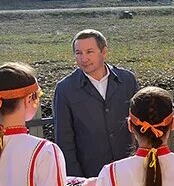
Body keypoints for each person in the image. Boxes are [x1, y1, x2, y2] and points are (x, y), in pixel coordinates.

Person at [53, 29, 138, 178]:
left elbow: (140, 125)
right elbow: (64, 139)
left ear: (104, 52)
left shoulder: (127, 80)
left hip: (129, 169)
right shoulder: (65, 89)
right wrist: (77, 180)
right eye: (78, 53)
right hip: (91, 174)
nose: (83, 58)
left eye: (89, 52)